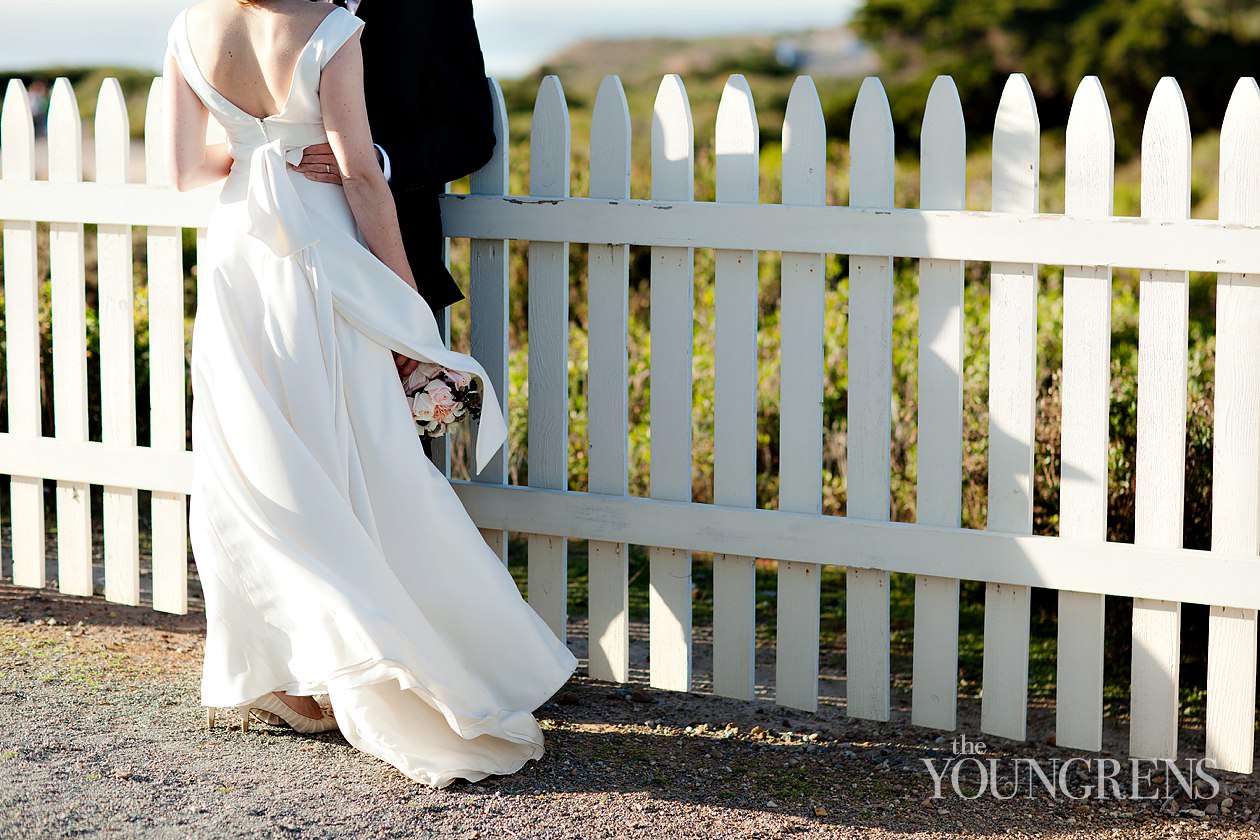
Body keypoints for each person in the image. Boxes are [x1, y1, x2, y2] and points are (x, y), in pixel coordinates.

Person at [163, 0, 576, 788]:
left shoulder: (187, 27)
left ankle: (294, 672)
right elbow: (356, 177)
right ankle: (359, 666)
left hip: (236, 263)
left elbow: (185, 171)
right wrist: (407, 311)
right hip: (324, 259)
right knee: (363, 454)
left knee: (256, 464)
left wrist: (258, 153)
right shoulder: (330, 28)